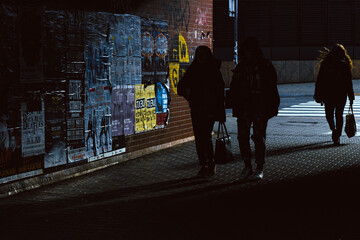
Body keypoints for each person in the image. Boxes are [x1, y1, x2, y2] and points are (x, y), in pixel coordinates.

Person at [228, 37, 279, 181]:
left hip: (259, 106)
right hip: (245, 107)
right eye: (246, 51)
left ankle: (259, 167)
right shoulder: (242, 66)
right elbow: (234, 87)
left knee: (258, 137)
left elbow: (271, 87)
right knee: (242, 137)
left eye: (250, 51)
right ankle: (248, 166)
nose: (248, 53)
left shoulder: (264, 65)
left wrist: (272, 106)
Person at [177, 46, 225, 177]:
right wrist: (187, 92)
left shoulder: (213, 71)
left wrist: (221, 113)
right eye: (199, 55)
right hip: (197, 108)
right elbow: (180, 86)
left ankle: (209, 163)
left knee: (205, 136)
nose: (200, 58)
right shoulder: (194, 69)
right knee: (200, 137)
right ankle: (205, 163)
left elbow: (220, 94)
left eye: (203, 55)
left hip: (209, 109)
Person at [314, 44, 354, 145]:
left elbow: (319, 80)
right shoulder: (344, 65)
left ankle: (334, 130)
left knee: (329, 115)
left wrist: (317, 93)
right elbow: (348, 82)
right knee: (338, 115)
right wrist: (351, 97)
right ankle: (337, 134)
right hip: (341, 94)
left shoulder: (326, 64)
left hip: (329, 94)